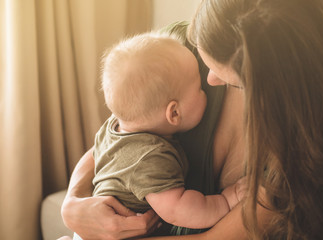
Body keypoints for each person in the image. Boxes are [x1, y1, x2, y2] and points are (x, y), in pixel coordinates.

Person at [62, 0, 323, 239]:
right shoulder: (174, 52)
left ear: (274, 84)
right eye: (203, 58)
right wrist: (72, 204)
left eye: (231, 78)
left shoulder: (312, 140)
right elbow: (120, 135)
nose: (209, 78)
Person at [71, 31, 242, 240]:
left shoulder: (113, 127)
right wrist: (226, 200)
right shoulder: (150, 157)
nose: (208, 84)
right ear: (174, 113)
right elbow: (179, 209)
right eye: (199, 88)